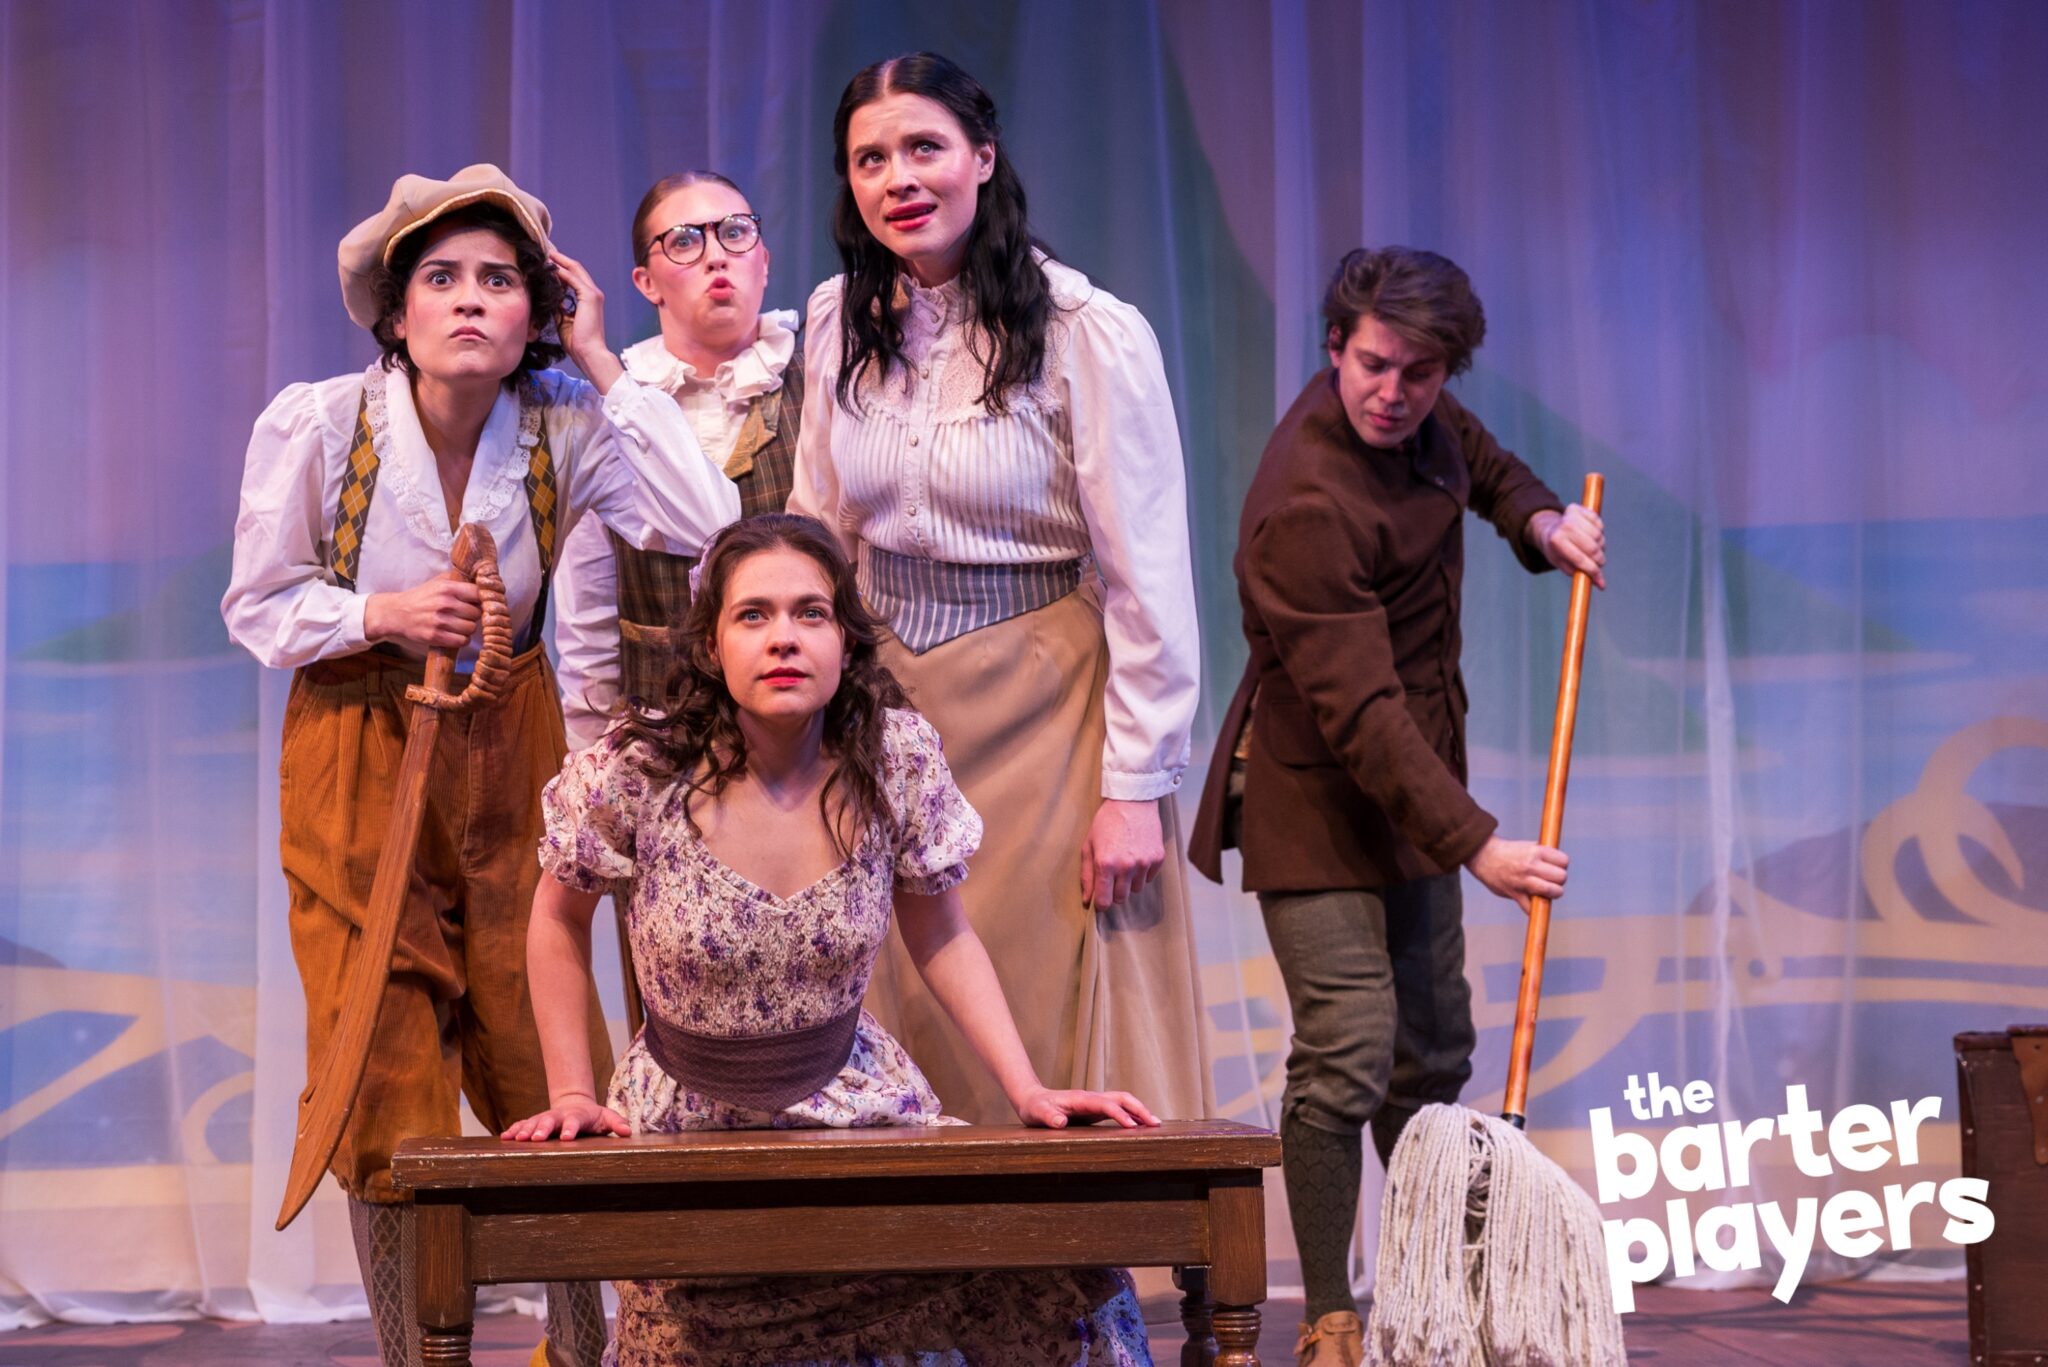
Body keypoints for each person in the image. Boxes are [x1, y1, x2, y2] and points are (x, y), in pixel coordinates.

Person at [221, 164, 739, 1367]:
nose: (468, 299)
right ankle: (417, 1353)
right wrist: (383, 611)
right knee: (383, 1053)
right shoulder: (324, 425)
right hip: (362, 743)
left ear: (534, 312)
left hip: (513, 742)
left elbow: (706, 521)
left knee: (539, 1040)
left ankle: (580, 1344)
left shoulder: (563, 424)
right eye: (441, 278)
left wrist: (602, 357)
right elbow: (258, 603)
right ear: (397, 311)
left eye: (499, 280)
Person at [508, 512, 1157, 1367]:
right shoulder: (640, 767)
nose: (783, 637)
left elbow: (942, 931)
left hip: (855, 1116)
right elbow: (558, 917)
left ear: (846, 641)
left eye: (810, 613)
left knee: (1058, 1278)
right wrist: (571, 1091)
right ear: (711, 645)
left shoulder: (893, 760)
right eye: (753, 614)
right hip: (684, 1133)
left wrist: (1028, 1087)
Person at [1187, 246, 1608, 1366]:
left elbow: (1486, 462)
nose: (1394, 392)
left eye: (1419, 373)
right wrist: (1478, 844)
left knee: (1432, 1053)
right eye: (1374, 364)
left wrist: (1539, 521)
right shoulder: (1304, 502)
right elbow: (1360, 710)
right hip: (1315, 795)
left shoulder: (1427, 417)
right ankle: (1330, 1310)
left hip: (1412, 782)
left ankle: (1433, 1296)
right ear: (1336, 347)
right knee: (1350, 1048)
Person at [789, 51, 1212, 1128]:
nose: (898, 178)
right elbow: (817, 526)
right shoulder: (839, 319)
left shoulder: (1083, 329)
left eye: (923, 147)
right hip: (886, 707)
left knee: (1039, 992)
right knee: (896, 998)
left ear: (982, 156)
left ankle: (1058, 1237)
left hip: (1044, 704)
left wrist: (1134, 785)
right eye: (870, 159)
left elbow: (1148, 572)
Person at [553, 171, 805, 748]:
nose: (717, 256)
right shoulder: (607, 409)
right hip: (661, 740)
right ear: (647, 282)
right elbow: (588, 619)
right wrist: (588, 756)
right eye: (685, 241)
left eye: (735, 233)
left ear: (764, 261)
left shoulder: (820, 380)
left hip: (804, 738)